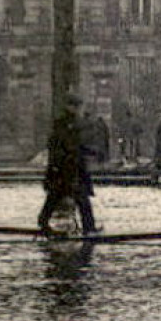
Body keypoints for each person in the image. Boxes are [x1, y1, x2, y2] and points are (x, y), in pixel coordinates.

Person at [38, 96, 98, 234]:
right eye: (76, 106)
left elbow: (75, 145)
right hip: (65, 168)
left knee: (59, 196)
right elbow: (64, 146)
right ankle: (89, 228)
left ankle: (89, 227)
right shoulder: (65, 124)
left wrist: (89, 151)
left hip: (70, 168)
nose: (78, 109)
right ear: (70, 106)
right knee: (74, 197)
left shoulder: (71, 124)